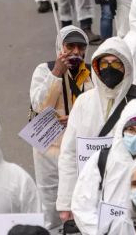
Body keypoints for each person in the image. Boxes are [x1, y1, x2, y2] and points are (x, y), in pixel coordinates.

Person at [57, 38, 136, 229]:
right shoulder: (84, 102)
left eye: (116, 63)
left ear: (126, 65)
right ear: (96, 66)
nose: (110, 68)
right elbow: (69, 153)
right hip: (90, 194)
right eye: (105, 63)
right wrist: (66, 201)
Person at [72, 99, 136, 235]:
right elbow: (82, 205)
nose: (135, 137)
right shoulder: (102, 159)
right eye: (131, 130)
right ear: (122, 129)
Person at [29, 26, 95, 232]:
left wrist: (77, 117)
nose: (75, 52)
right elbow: (39, 105)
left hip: (81, 146)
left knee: (84, 197)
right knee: (51, 201)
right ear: (60, 47)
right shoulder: (44, 70)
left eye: (80, 47)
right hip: (49, 147)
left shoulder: (93, 72)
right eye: (70, 46)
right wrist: (57, 73)